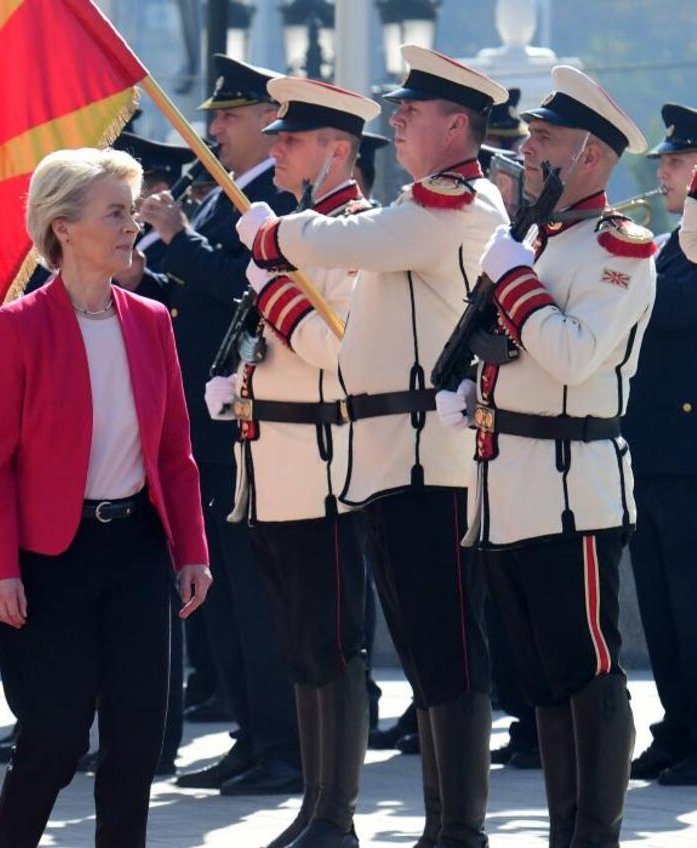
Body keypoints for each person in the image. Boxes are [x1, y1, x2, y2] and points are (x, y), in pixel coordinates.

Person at [238, 45, 509, 848]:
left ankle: (456, 828)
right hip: (391, 456)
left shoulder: (455, 206)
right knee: (425, 651)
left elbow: (355, 249)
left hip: (431, 458)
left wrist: (275, 236)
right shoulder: (421, 210)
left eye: (412, 112)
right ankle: (430, 823)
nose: (397, 121)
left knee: (446, 649)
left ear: (456, 123)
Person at [440, 65, 655, 846]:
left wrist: (517, 281)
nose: (527, 151)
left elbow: (572, 356)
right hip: (508, 488)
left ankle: (592, 834)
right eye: (530, 136)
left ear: (592, 157)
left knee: (587, 674)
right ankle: (566, 828)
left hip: (574, 493)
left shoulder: (617, 249)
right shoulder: (539, 238)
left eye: (546, 139)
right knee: (542, 681)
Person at [0, 147, 211, 848]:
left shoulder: (151, 321)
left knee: (138, 739)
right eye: (115, 212)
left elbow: (174, 451)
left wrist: (191, 551)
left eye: (131, 211)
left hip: (138, 550)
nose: (130, 225)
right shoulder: (16, 326)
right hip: (50, 559)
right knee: (53, 738)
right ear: (64, 226)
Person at [205, 77, 380, 848]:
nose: (274, 149)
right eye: (274, 135)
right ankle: (314, 805)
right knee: (300, 645)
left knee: (332, 642)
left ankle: (335, 812)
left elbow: (340, 354)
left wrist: (272, 292)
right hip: (270, 461)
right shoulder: (302, 234)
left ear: (335, 151)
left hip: (324, 461)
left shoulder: (358, 234)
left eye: (292, 139)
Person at [140, 53, 302, 797]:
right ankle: (252, 731)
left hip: (248, 417)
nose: (213, 129)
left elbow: (248, 284)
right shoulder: (226, 194)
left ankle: (282, 744)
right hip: (209, 416)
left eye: (229, 117)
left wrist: (176, 239)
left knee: (256, 593)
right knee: (230, 596)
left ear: (269, 123)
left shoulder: (273, 195)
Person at [624, 102, 697, 786]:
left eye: (677, 161)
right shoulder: (669, 247)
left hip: (689, 463)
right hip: (652, 457)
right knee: (663, 609)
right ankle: (678, 728)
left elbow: (676, 310)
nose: (664, 173)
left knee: (693, 606)